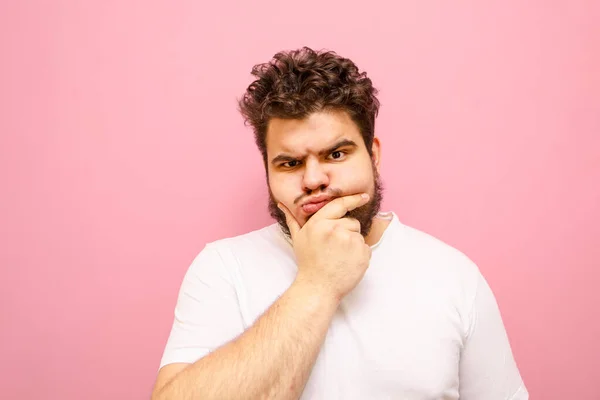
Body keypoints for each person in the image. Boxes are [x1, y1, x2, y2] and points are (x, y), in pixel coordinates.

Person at [151, 47, 528, 400]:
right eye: (290, 163)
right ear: (267, 171)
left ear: (373, 155)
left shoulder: (453, 276)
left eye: (336, 153)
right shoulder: (222, 269)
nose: (313, 179)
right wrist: (318, 283)